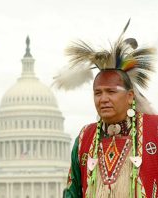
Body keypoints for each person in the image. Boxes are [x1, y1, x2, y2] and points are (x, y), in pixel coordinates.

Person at [54, 19, 158, 198]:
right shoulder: (86, 138)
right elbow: (73, 192)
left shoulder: (154, 129)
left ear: (130, 96)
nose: (103, 99)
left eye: (111, 91)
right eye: (97, 93)